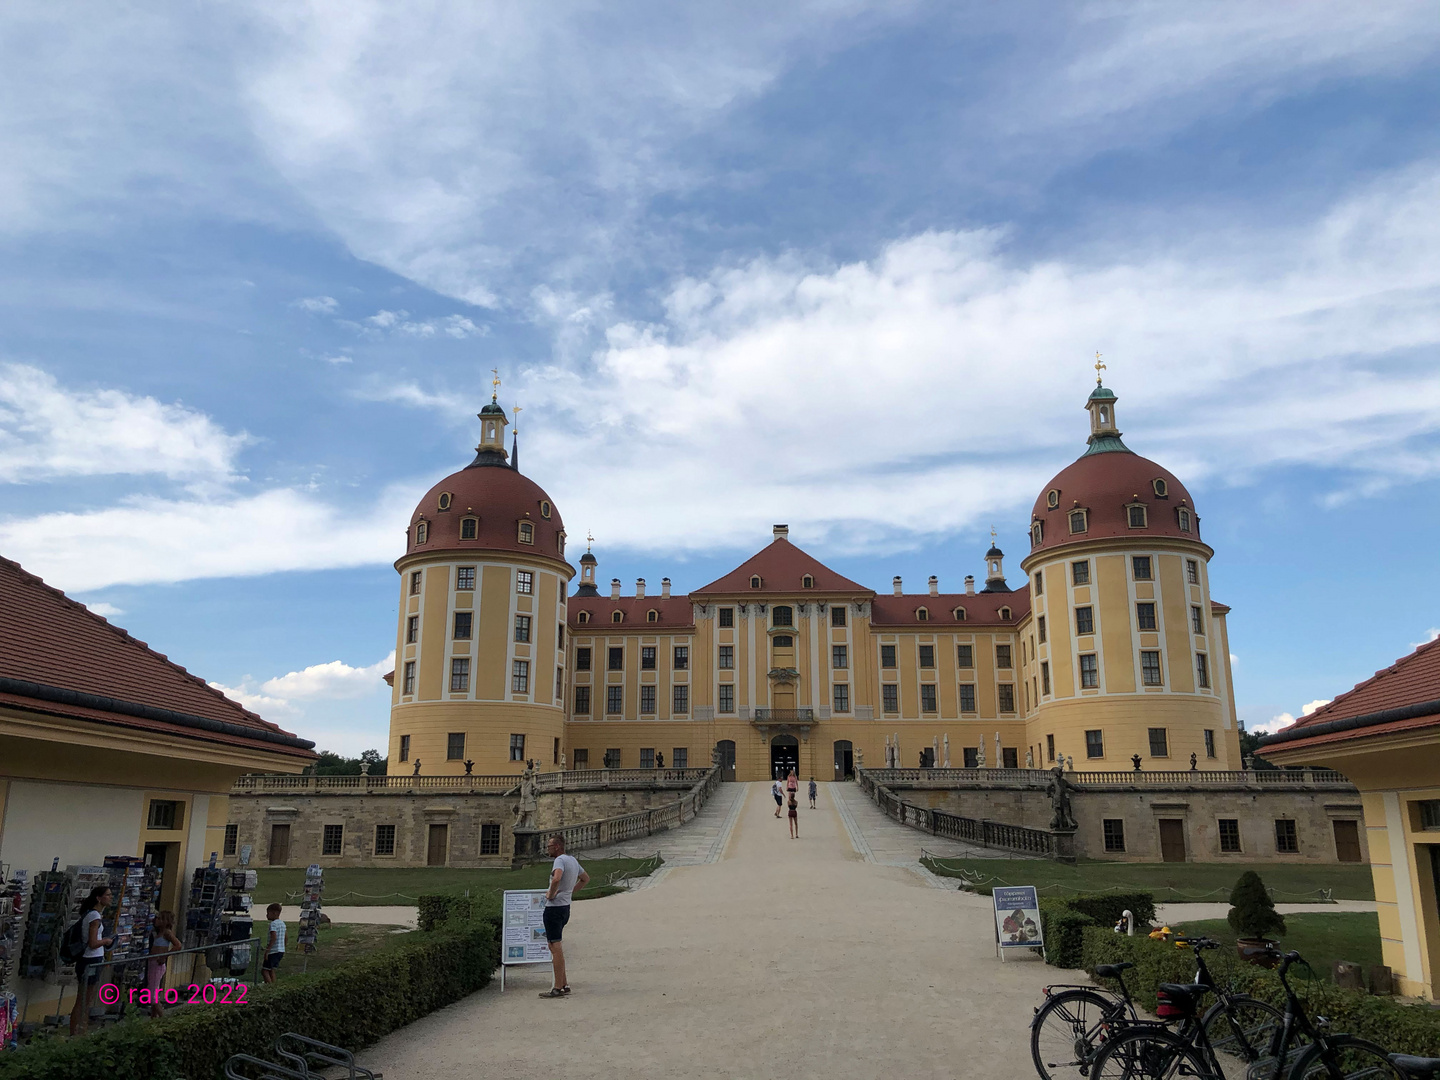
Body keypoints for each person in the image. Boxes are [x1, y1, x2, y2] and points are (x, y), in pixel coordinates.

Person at [539, 833, 589, 999]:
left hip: (554, 908)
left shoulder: (559, 860)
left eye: (549, 846)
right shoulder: (572, 860)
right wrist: (569, 892)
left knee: (555, 946)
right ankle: (564, 983)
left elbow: (556, 878)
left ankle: (558, 987)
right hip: (565, 907)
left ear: (557, 847)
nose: (548, 849)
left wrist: (551, 894)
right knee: (555, 945)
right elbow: (585, 879)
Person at [70, 885, 113, 1035]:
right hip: (91, 960)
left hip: (90, 960)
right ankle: (78, 1031)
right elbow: (93, 942)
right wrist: (106, 941)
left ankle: (80, 1030)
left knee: (85, 999)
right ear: (99, 898)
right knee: (85, 1000)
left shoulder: (90, 914)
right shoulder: (94, 917)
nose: (110, 897)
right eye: (107, 895)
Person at [145, 910, 182, 1017]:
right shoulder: (158, 933)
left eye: (160, 919)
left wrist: (164, 956)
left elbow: (178, 945)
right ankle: (153, 1017)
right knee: (153, 990)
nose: (157, 920)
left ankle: (163, 1017)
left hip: (157, 963)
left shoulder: (167, 933)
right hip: (152, 963)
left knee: (152, 995)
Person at [262, 903, 285, 984]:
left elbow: (273, 937)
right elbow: (286, 937)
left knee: (264, 970)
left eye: (268, 913)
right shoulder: (282, 924)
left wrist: (267, 950)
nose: (267, 915)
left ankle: (269, 987)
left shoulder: (273, 924)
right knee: (271, 969)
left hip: (273, 951)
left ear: (274, 913)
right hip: (281, 950)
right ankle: (274, 986)